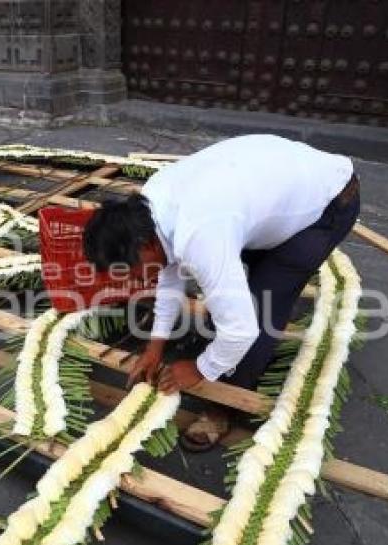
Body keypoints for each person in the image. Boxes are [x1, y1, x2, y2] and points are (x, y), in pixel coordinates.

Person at [82, 134, 360, 450]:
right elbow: (169, 271)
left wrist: (201, 368)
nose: (134, 277)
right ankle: (231, 350)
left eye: (131, 268)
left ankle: (223, 408)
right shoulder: (148, 210)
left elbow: (241, 330)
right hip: (279, 188)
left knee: (262, 309)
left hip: (330, 202)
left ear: (144, 244)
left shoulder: (200, 234)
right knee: (235, 294)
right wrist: (155, 345)